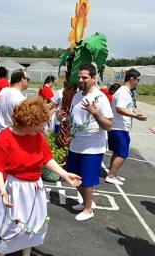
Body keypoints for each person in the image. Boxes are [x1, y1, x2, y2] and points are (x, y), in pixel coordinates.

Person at [0, 98, 81, 256]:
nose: (43, 127)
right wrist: (3, 191)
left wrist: (65, 174)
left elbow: (46, 159)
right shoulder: (5, 138)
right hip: (15, 187)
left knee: (34, 224)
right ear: (29, 121)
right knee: (12, 226)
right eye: (40, 124)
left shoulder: (37, 136)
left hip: (35, 187)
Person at [57, 63, 113, 221]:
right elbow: (73, 119)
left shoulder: (100, 98)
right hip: (76, 145)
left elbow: (109, 125)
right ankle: (88, 202)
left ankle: (88, 209)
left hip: (93, 148)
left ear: (94, 78)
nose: (81, 80)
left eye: (85, 77)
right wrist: (63, 119)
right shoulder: (77, 96)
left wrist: (95, 114)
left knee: (87, 181)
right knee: (74, 178)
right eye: (79, 77)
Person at [106, 69, 147, 185]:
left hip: (118, 126)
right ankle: (111, 175)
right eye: (137, 80)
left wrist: (134, 111)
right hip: (119, 127)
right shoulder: (124, 92)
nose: (138, 82)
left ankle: (113, 173)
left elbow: (123, 108)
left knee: (117, 151)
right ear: (132, 79)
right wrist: (135, 115)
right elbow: (119, 108)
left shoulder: (124, 92)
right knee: (123, 153)